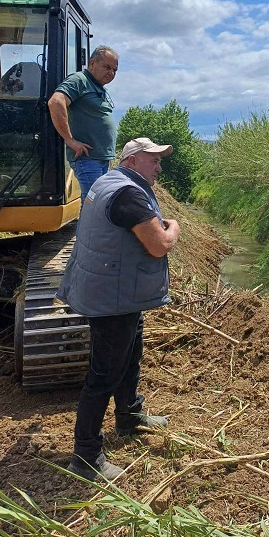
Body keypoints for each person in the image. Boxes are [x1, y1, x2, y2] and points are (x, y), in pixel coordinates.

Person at [57, 137, 181, 481]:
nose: (159, 168)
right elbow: (159, 245)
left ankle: (129, 416)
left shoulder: (107, 181)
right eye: (153, 161)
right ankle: (86, 457)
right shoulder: (129, 193)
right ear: (133, 160)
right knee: (104, 375)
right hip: (112, 298)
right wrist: (174, 227)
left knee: (131, 354)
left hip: (117, 291)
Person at [48, 46, 119, 202]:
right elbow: (55, 102)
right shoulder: (80, 80)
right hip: (87, 160)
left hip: (100, 159)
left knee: (97, 205)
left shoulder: (96, 86)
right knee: (93, 206)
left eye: (114, 70)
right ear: (92, 63)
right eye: (107, 67)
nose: (111, 73)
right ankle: (87, 228)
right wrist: (69, 140)